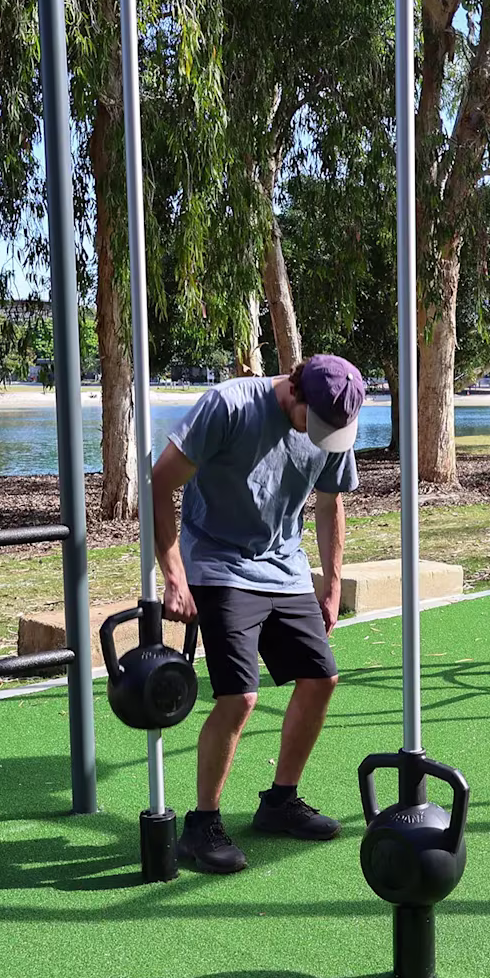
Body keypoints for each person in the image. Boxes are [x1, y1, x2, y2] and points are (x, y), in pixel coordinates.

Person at [149, 355, 366, 873]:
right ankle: (201, 827)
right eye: (313, 424)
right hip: (218, 562)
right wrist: (175, 575)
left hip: (285, 566)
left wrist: (331, 584)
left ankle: (280, 801)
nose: (320, 437)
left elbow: (330, 502)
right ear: (294, 390)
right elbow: (161, 482)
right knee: (240, 696)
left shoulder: (335, 420)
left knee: (322, 678)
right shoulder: (228, 406)